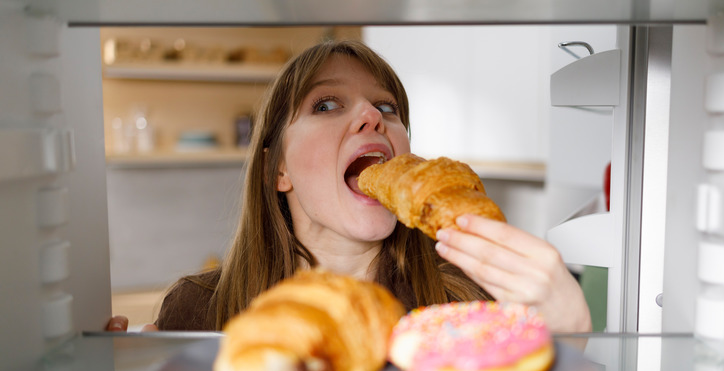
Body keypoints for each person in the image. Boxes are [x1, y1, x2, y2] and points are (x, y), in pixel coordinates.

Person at [107, 40, 591, 334]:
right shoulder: (198, 310)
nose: (371, 117)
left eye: (388, 107)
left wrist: (567, 345)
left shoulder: (467, 308)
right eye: (326, 104)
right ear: (279, 170)